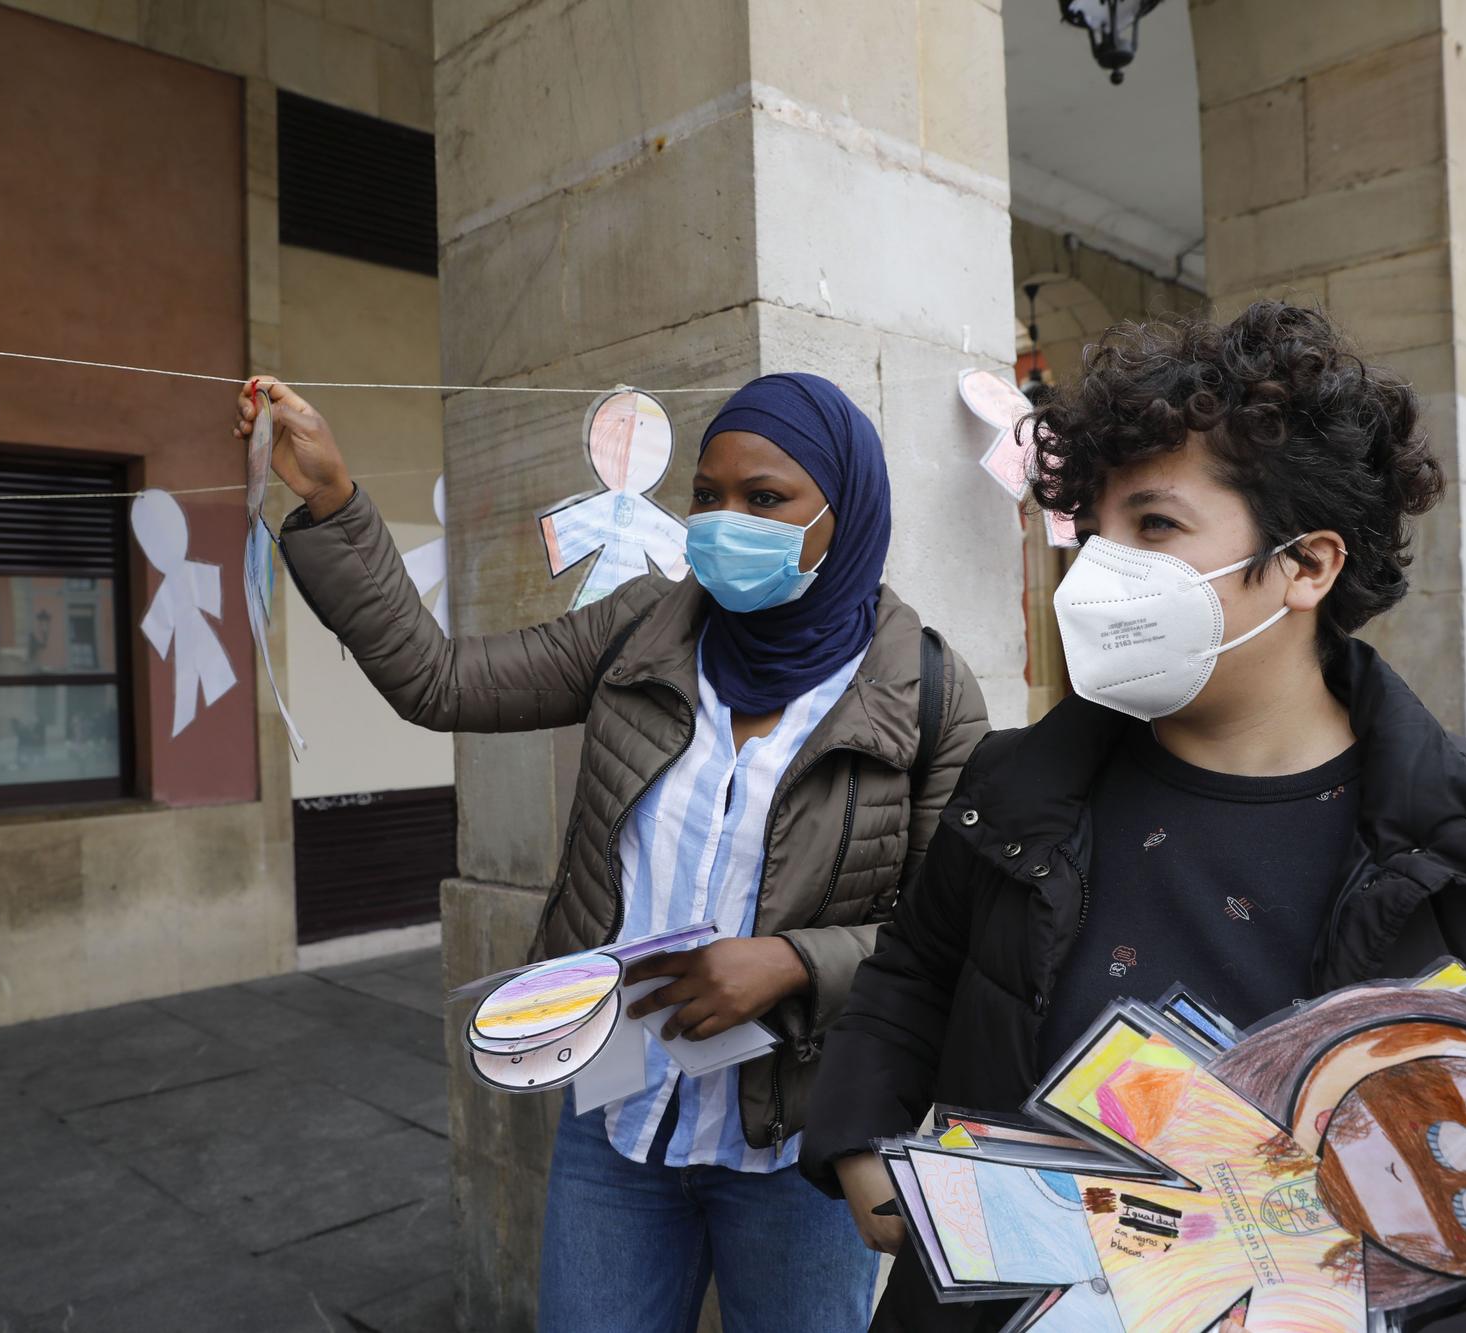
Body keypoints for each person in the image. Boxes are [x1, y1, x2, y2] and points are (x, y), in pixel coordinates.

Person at [801, 302, 1466, 1331]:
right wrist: (862, 1136)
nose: (1094, 571)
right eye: (1090, 531)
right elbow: (910, 978)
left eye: (1154, 525)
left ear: (1307, 565)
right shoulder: (1012, 790)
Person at [241, 371, 989, 1332]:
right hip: (622, 1111)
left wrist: (791, 963)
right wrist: (335, 501)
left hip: (797, 1138)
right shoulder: (645, 625)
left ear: (845, 512)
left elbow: (949, 938)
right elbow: (440, 682)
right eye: (708, 496)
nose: (726, 522)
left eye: (765, 499)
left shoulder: (926, 691)